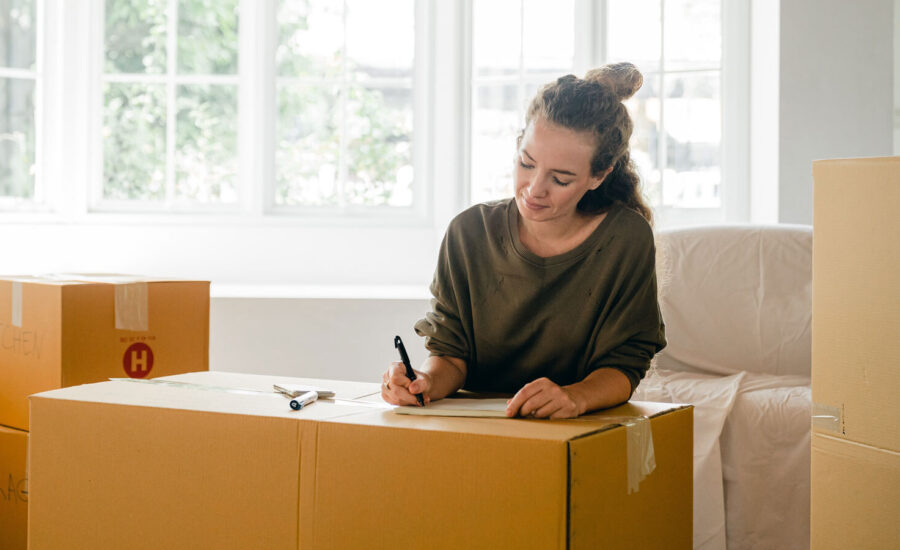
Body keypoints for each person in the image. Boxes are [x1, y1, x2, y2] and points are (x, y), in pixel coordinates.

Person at [382, 62, 666, 419]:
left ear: (599, 175)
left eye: (561, 180)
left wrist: (574, 396)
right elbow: (451, 355)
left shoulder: (626, 238)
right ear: (518, 145)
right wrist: (422, 381)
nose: (534, 190)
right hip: (476, 429)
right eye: (527, 163)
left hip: (576, 428)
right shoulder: (468, 232)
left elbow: (626, 363)